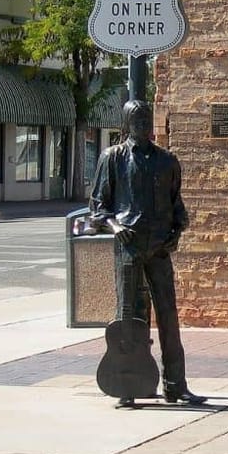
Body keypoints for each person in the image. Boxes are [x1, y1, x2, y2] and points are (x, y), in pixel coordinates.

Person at [89, 99, 205, 408]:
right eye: (136, 120)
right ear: (126, 124)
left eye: (146, 120)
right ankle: (127, 383)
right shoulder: (112, 158)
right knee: (128, 314)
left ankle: (175, 385)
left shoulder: (167, 162)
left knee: (168, 314)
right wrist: (114, 227)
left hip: (159, 246)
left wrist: (176, 233)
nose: (143, 125)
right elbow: (98, 206)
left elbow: (177, 206)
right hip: (128, 244)